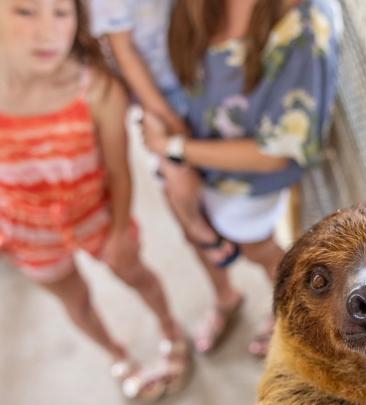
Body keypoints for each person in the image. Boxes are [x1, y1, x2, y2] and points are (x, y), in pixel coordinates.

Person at [0, 0, 190, 400]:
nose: (47, 30)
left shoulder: (99, 89)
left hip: (97, 213)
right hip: (25, 230)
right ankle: (118, 355)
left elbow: (119, 171)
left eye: (61, 12)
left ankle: (171, 330)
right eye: (25, 12)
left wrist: (120, 231)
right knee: (76, 301)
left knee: (136, 273)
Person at [142, 0, 340, 356]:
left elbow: (274, 154)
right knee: (195, 231)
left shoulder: (304, 27)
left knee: (255, 246)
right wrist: (164, 134)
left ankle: (292, 312)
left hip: (243, 176)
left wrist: (176, 149)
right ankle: (226, 299)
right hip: (187, 144)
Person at [89, 0, 237, 266]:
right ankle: (196, 227)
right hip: (158, 94)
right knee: (178, 175)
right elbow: (125, 54)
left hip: (199, 70)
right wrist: (168, 118)